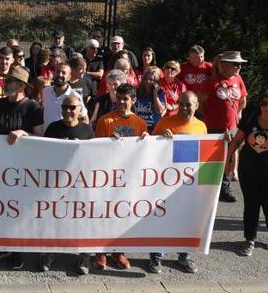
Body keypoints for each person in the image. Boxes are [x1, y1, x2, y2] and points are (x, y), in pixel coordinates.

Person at [0, 66, 44, 271]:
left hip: (22, 169)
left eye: (10, 81)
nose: (5, 83)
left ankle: (17, 249)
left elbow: (41, 138)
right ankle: (1, 246)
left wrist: (24, 133)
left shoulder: (33, 107)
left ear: (20, 85)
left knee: (17, 208)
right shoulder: (0, 105)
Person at [226, 90, 268, 257]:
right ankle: (250, 239)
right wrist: (228, 163)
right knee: (251, 205)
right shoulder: (250, 119)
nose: (266, 108)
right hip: (248, 170)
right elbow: (236, 141)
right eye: (263, 104)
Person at [147, 91, 206, 273]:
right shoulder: (165, 122)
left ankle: (185, 255)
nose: (184, 108)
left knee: (187, 219)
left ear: (196, 106)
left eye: (188, 104)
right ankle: (156, 256)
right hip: (165, 182)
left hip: (189, 184)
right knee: (161, 218)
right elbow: (149, 150)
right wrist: (159, 138)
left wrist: (223, 142)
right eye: (181, 104)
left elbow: (206, 154)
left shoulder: (201, 126)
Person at [93, 83, 147, 271]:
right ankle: (100, 251)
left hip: (128, 177)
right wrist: (109, 143)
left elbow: (143, 152)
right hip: (107, 176)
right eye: (119, 98)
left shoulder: (140, 123)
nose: (122, 102)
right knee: (103, 213)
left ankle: (119, 251)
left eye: (126, 99)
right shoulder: (105, 121)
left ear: (133, 101)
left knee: (123, 214)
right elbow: (95, 148)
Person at [42, 93, 95, 275]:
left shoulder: (87, 130)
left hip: (80, 186)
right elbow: (41, 153)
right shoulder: (52, 128)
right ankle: (50, 254)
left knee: (82, 222)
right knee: (53, 220)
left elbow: (95, 157)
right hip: (56, 185)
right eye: (65, 107)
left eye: (72, 107)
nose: (68, 111)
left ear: (80, 110)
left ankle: (84, 258)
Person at [201, 50, 248, 203]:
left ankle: (225, 188)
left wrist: (237, 113)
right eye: (235, 64)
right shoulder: (211, 82)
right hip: (213, 128)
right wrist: (210, 115)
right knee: (212, 159)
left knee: (228, 159)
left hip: (232, 127)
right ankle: (210, 189)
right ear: (223, 65)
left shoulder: (238, 79)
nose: (238, 68)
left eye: (240, 65)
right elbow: (200, 103)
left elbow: (243, 99)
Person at [42, 63, 86, 127]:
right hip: (47, 135)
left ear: (69, 77)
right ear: (53, 73)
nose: (60, 74)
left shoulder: (75, 97)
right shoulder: (46, 91)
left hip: (65, 136)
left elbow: (85, 120)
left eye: (64, 73)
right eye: (58, 71)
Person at [134, 66, 167, 132]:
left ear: (156, 82)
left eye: (151, 80)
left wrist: (155, 94)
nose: (148, 81)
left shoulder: (160, 92)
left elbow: (160, 111)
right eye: (146, 78)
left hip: (154, 127)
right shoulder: (136, 92)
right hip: (139, 126)